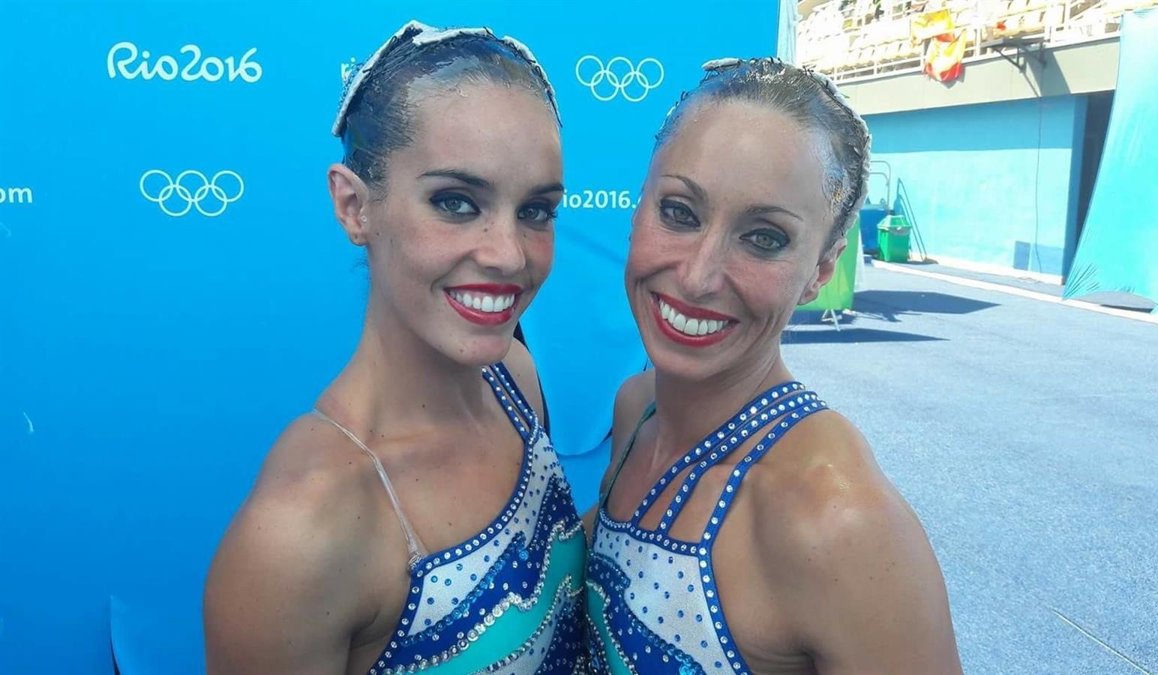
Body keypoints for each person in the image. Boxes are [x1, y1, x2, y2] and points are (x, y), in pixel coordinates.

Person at [204, 21, 589, 674]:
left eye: (536, 211)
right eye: (456, 202)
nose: (508, 254)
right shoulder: (301, 531)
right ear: (354, 207)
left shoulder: (514, 378)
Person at [586, 58, 962, 674]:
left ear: (820, 271)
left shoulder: (837, 522)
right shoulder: (639, 410)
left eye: (764, 238)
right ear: (638, 208)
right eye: (679, 212)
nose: (698, 276)